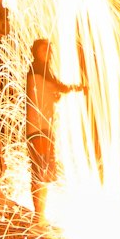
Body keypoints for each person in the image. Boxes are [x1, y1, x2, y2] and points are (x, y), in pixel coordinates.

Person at [25, 38, 85, 224]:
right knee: (40, 171)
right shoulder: (37, 70)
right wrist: (77, 87)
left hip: (42, 127)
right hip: (38, 128)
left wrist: (55, 94)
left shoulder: (40, 72)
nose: (47, 54)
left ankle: (40, 213)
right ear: (36, 52)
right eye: (44, 51)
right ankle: (38, 215)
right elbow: (57, 87)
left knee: (42, 171)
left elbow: (48, 92)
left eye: (49, 51)